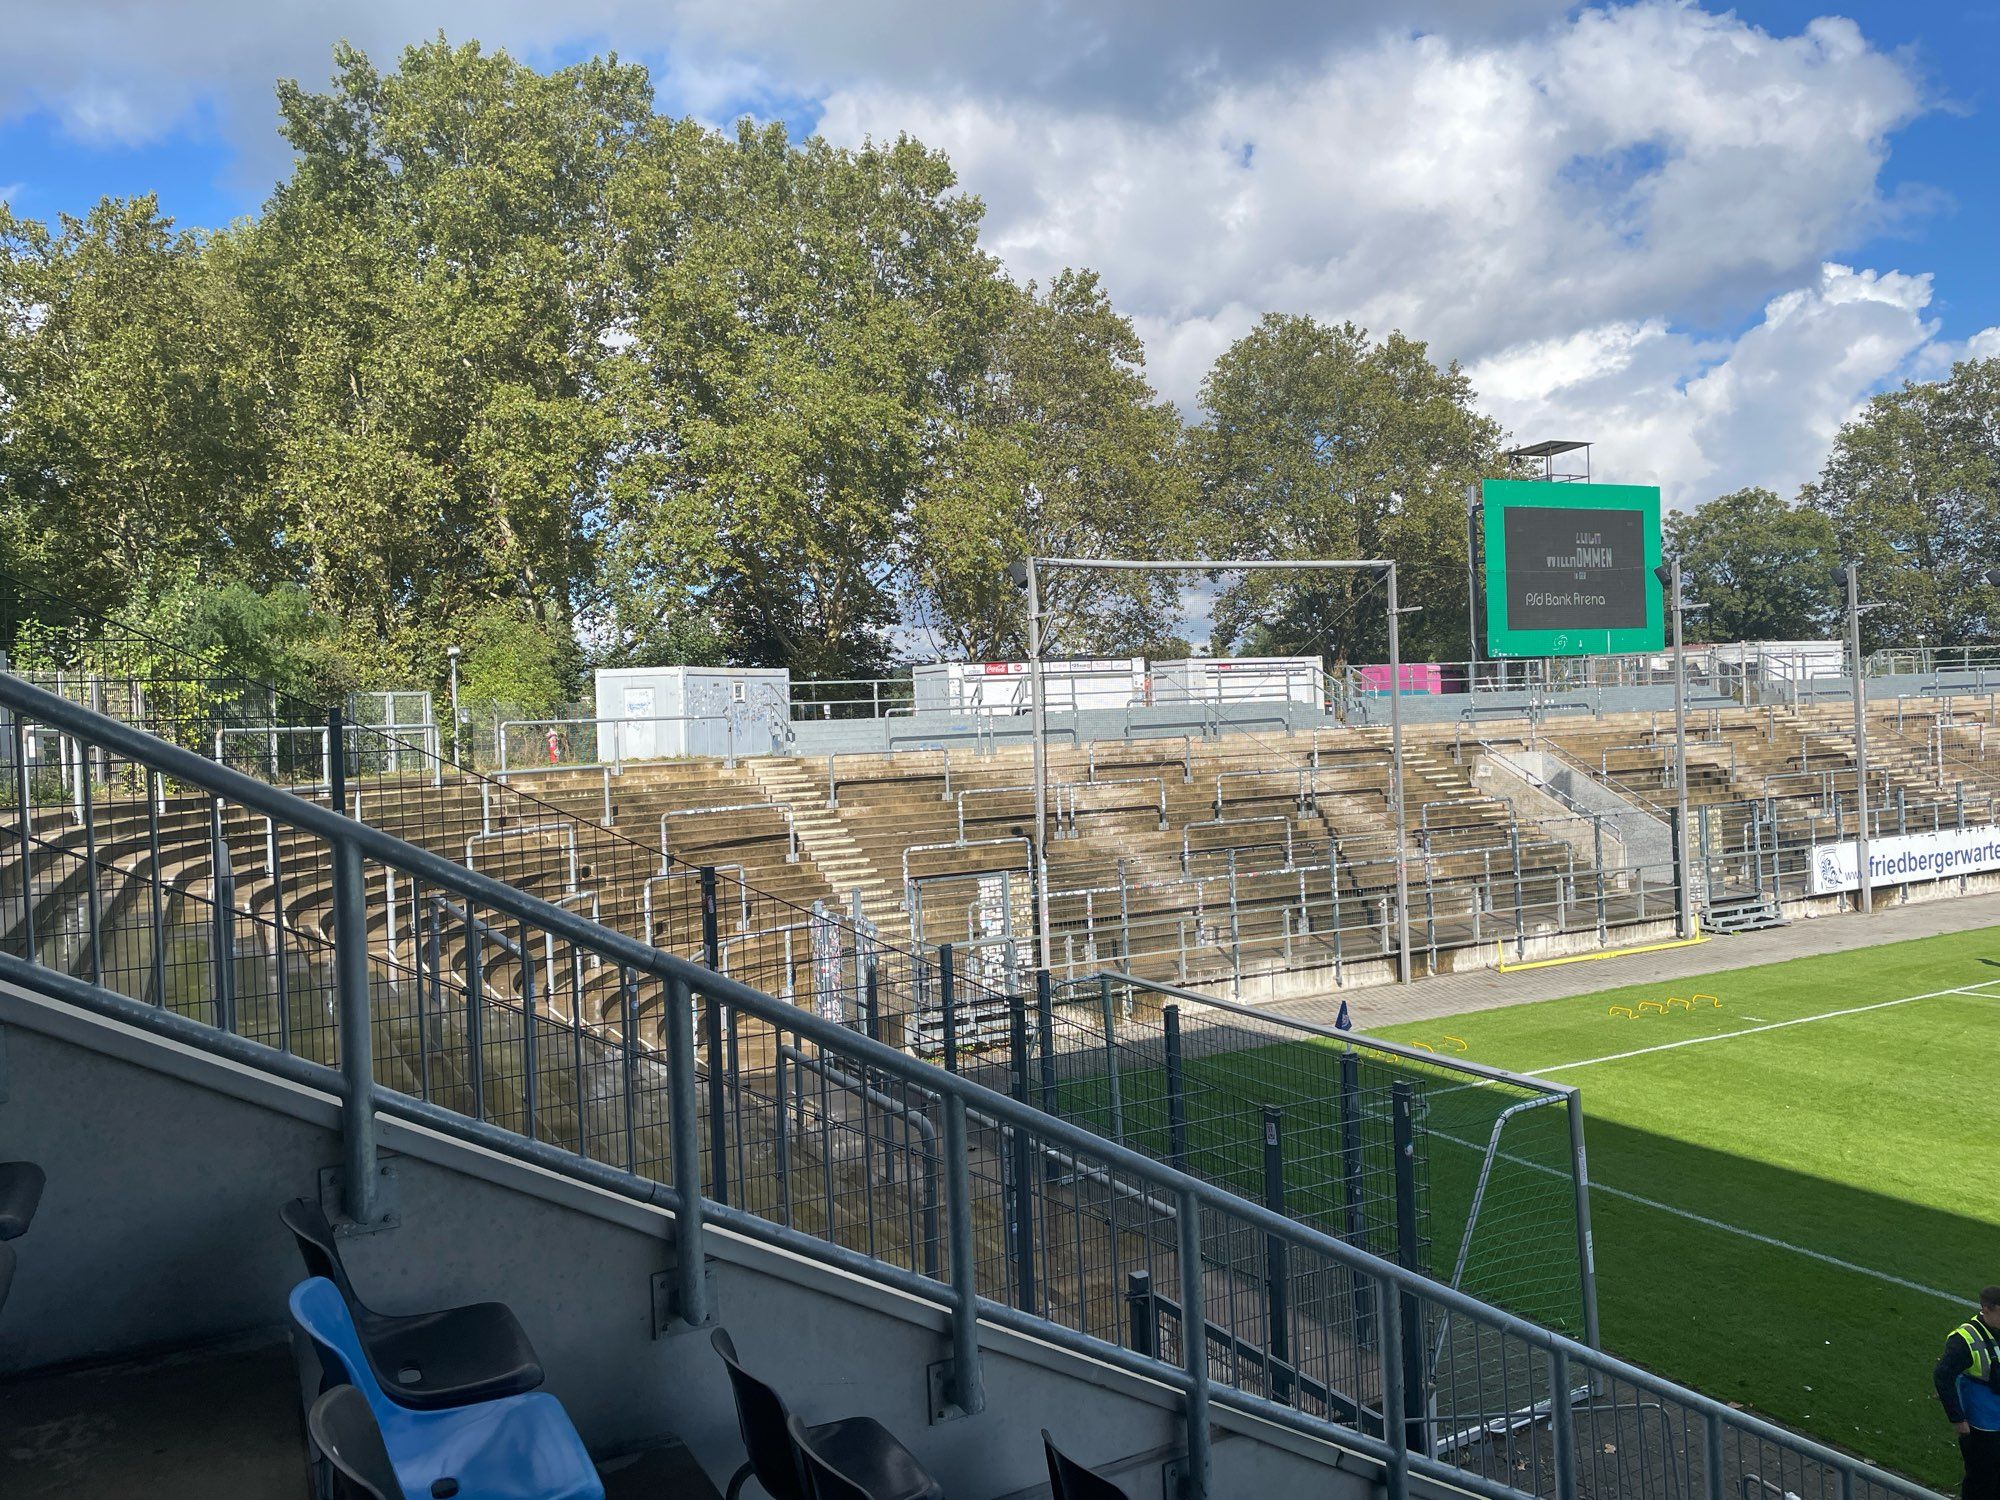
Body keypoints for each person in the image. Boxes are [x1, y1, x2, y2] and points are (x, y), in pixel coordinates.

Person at [1935, 1286, 2000, 1500]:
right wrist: (1957, 1418)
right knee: (1982, 1480)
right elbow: (1943, 1376)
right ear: (1986, 1309)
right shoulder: (1965, 1339)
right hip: (1982, 1425)